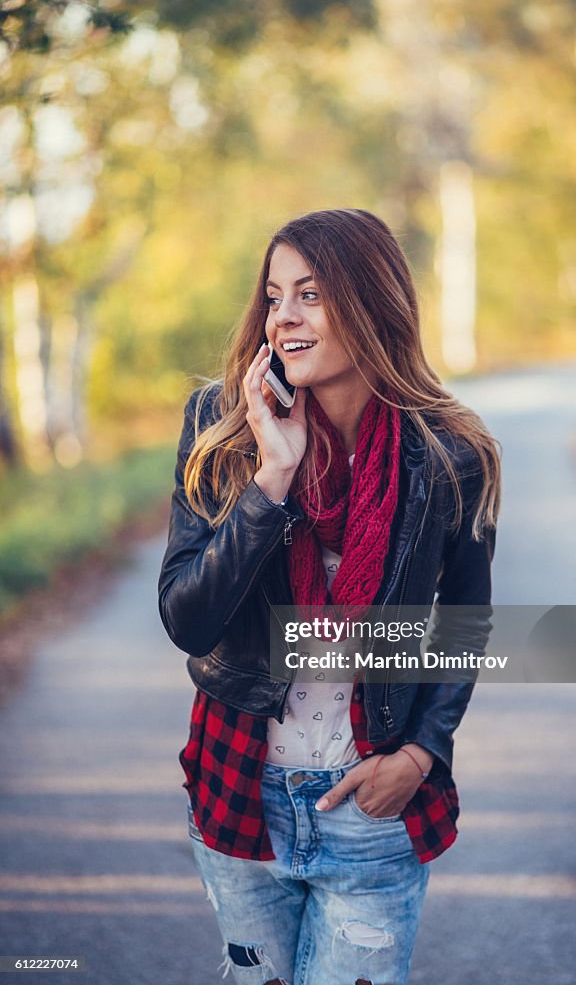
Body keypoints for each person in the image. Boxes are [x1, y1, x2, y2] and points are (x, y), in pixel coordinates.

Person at [157, 208, 501, 985]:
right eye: (274, 296)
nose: (283, 319)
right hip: (238, 788)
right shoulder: (223, 428)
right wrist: (272, 480)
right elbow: (188, 617)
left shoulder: (451, 452)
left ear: (371, 301)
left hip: (370, 803)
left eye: (310, 294)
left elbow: (465, 621)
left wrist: (420, 753)